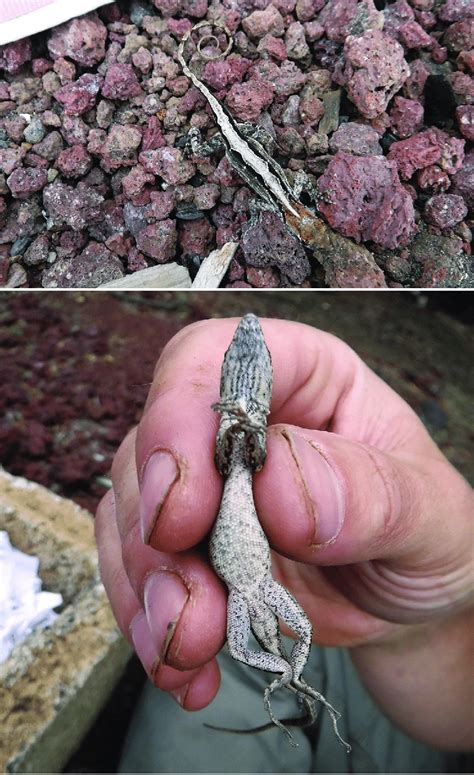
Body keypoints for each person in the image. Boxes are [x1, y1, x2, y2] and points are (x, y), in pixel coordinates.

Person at [95, 317, 473, 773]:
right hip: (250, 584)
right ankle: (287, 678)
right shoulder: (236, 445)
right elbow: (232, 455)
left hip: (251, 584)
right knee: (235, 650)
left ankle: (289, 679)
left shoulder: (251, 442)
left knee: (249, 647)